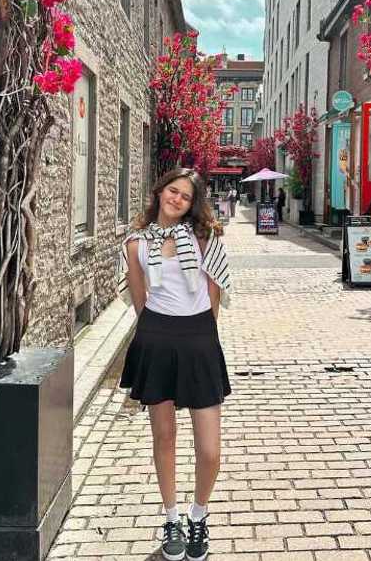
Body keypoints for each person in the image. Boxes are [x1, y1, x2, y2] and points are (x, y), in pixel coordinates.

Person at [117, 168, 233, 561]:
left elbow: (214, 295)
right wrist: (155, 332)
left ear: (192, 203)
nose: (177, 199)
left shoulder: (206, 239)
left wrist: (203, 336)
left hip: (199, 339)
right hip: (156, 338)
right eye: (172, 190)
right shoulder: (135, 243)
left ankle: (199, 514)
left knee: (210, 449)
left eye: (186, 195)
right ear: (159, 191)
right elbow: (138, 298)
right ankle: (171, 518)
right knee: (164, 438)